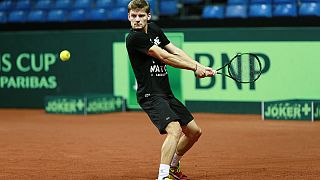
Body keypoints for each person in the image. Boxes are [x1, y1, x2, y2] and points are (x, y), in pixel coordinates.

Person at [126, 0, 216, 179]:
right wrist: (194, 69)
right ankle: (163, 176)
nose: (137, 20)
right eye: (133, 16)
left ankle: (173, 167)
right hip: (150, 95)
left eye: (141, 16)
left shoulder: (154, 29)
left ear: (148, 17)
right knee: (174, 129)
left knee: (194, 132)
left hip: (166, 93)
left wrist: (199, 66)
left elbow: (174, 50)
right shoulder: (134, 38)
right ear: (128, 17)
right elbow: (164, 56)